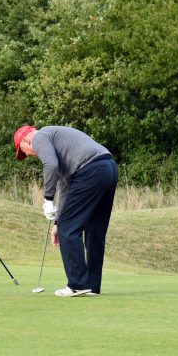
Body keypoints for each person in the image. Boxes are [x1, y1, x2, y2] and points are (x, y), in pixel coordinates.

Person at [14, 125, 118, 297]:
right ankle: (92, 286)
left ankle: (77, 284)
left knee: (69, 229)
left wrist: (47, 199)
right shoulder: (61, 147)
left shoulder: (40, 137)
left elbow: (51, 165)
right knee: (94, 229)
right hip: (108, 169)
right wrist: (58, 223)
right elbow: (64, 189)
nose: (29, 155)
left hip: (89, 171)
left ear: (26, 140)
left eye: (24, 152)